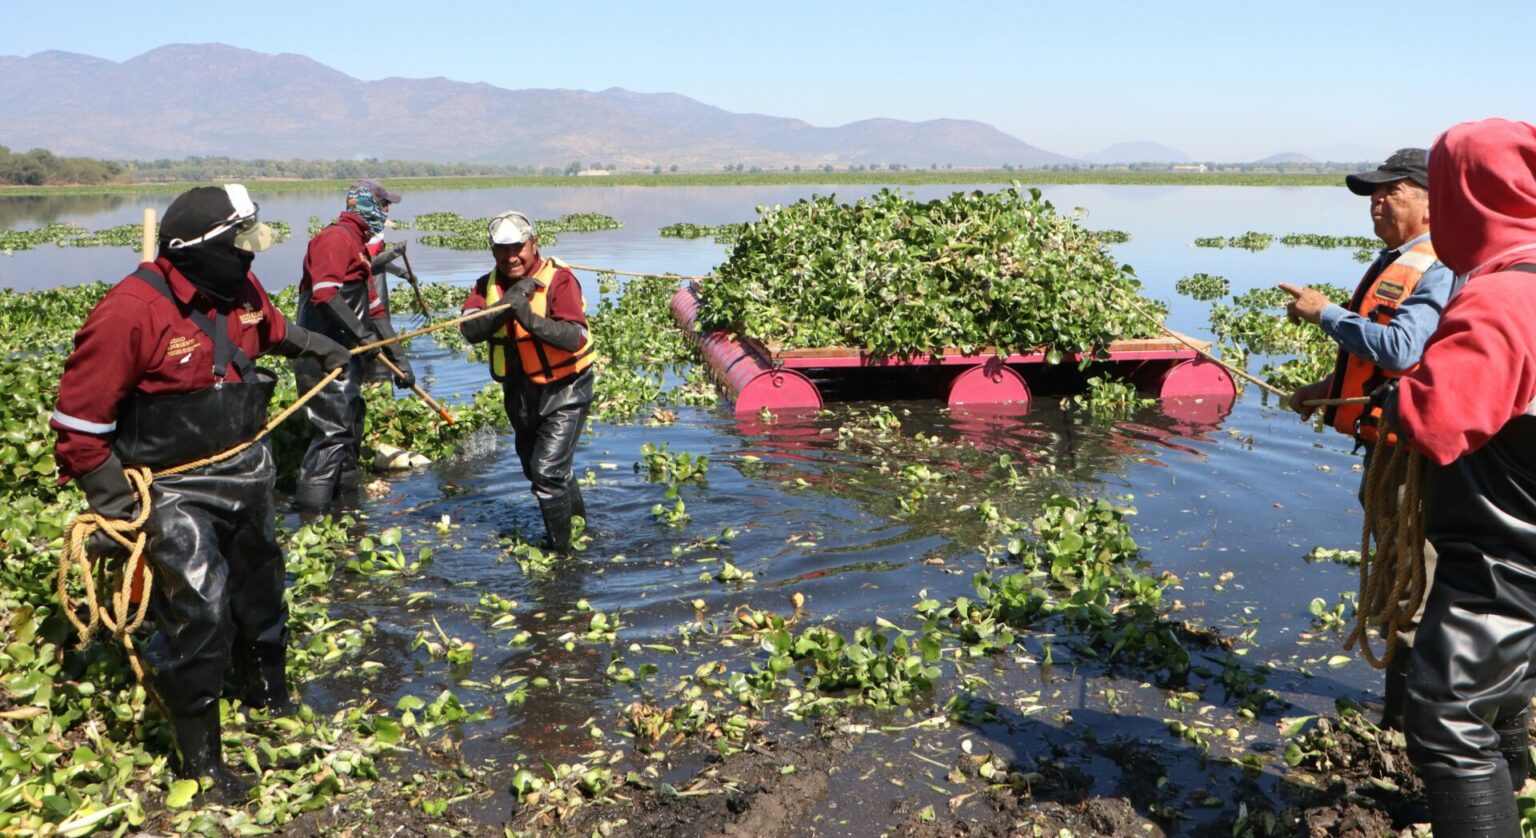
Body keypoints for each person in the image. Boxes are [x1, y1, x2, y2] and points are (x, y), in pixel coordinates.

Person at [50, 185, 351, 802]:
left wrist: (317, 345)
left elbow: (268, 328)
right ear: (199, 250)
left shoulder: (240, 289)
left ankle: (269, 696)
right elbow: (80, 431)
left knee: (261, 590)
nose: (251, 256)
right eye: (240, 243)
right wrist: (119, 508)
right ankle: (201, 760)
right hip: (173, 487)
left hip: (245, 468)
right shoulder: (129, 311)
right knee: (202, 612)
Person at [1380, 118, 1536, 836]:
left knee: (1447, 716)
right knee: (1510, 687)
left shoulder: (1502, 297)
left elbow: (1438, 422)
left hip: (1505, 553)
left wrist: (1400, 397)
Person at [1279, 148, 1455, 731]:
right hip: (1387, 446)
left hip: (1414, 456)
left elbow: (1405, 349)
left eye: (1392, 192)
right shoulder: (1397, 259)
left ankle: (1408, 723)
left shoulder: (1440, 266)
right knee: (1399, 571)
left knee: (1412, 581)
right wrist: (1324, 388)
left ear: (1433, 204)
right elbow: (1386, 369)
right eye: (1373, 193)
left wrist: (1324, 312)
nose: (1377, 202)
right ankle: (1403, 709)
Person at [459, 211, 594, 550]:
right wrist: (506, 305)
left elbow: (573, 336)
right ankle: (580, 532)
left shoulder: (560, 280)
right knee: (540, 472)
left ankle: (563, 556)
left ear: (534, 245)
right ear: (492, 251)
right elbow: (469, 330)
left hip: (565, 389)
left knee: (547, 473)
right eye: (502, 250)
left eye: (518, 247)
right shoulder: (484, 286)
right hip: (519, 393)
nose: (511, 257)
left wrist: (528, 317)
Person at [292, 178, 415, 514]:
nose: (386, 213)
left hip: (347, 357)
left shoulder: (358, 245)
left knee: (349, 433)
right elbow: (325, 294)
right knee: (331, 436)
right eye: (383, 205)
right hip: (322, 355)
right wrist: (363, 337)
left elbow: (375, 310)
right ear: (365, 205)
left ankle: (348, 518)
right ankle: (313, 524)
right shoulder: (334, 239)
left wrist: (399, 358)